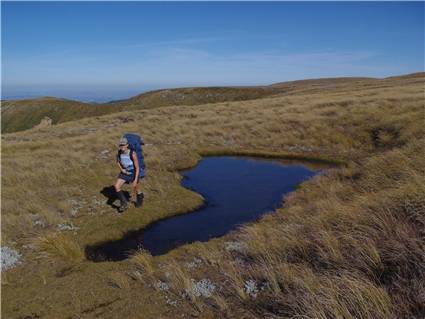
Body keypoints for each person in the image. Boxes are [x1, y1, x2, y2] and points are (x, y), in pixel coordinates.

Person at [114, 137, 144, 212]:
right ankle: (124, 203)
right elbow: (117, 161)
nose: (122, 146)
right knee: (116, 186)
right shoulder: (119, 152)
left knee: (136, 188)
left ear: (127, 145)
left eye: (123, 145)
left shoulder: (132, 154)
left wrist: (135, 179)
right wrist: (122, 169)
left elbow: (137, 167)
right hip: (125, 172)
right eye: (120, 145)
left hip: (133, 172)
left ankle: (140, 197)